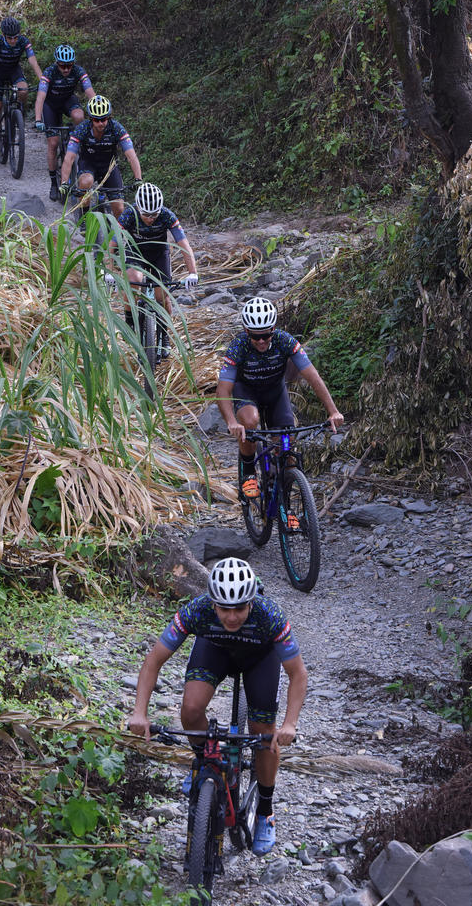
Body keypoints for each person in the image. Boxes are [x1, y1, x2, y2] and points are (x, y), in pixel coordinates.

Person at [127, 557, 307, 857]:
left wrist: (289, 724)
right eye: (224, 608)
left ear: (252, 602)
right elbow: (153, 661)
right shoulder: (196, 611)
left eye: (239, 608)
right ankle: (202, 761)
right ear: (213, 604)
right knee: (191, 708)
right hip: (216, 650)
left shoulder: (270, 615)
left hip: (259, 659)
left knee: (263, 732)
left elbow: (297, 674)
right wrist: (139, 712)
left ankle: (265, 810)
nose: (233, 616)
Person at [216, 297, 344, 499]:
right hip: (246, 390)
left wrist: (333, 411)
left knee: (287, 445)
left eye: (266, 335)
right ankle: (248, 472)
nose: (261, 341)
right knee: (250, 422)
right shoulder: (237, 347)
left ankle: (286, 506)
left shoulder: (285, 341)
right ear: (246, 331)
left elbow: (313, 377)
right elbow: (223, 390)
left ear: (273, 329)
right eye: (255, 336)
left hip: (275, 391)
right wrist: (232, 422)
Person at [116, 182, 198, 358]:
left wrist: (193, 272)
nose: (151, 218)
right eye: (146, 214)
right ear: (139, 208)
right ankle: (130, 322)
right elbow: (112, 244)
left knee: (163, 296)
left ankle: (164, 334)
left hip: (159, 253)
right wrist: (108, 272)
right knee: (133, 280)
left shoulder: (167, 215)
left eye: (155, 214)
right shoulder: (129, 213)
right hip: (136, 252)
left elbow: (184, 245)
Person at [59, 95, 142, 218]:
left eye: (103, 119)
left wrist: (138, 179)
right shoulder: (82, 129)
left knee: (119, 207)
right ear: (91, 119)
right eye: (96, 120)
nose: (100, 123)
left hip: (109, 167)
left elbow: (131, 156)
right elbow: (69, 158)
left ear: (109, 117)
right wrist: (64, 182)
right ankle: (84, 217)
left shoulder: (116, 128)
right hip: (88, 164)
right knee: (86, 182)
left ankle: (115, 235)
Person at [34, 45, 96, 201]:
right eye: (63, 65)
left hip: (68, 100)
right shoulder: (49, 72)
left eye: (69, 65)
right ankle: (54, 184)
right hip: (50, 105)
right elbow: (40, 97)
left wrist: (98, 113)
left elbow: (90, 92)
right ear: (57, 63)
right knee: (53, 143)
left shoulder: (78, 71)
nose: (67, 69)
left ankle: (77, 142)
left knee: (79, 115)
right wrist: (37, 119)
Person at [0, 17, 43, 156]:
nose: (14, 41)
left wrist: (43, 80)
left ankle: (19, 115)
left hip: (14, 71)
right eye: (10, 38)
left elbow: (33, 62)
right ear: (4, 36)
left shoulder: (24, 42)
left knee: (24, 90)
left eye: (16, 37)